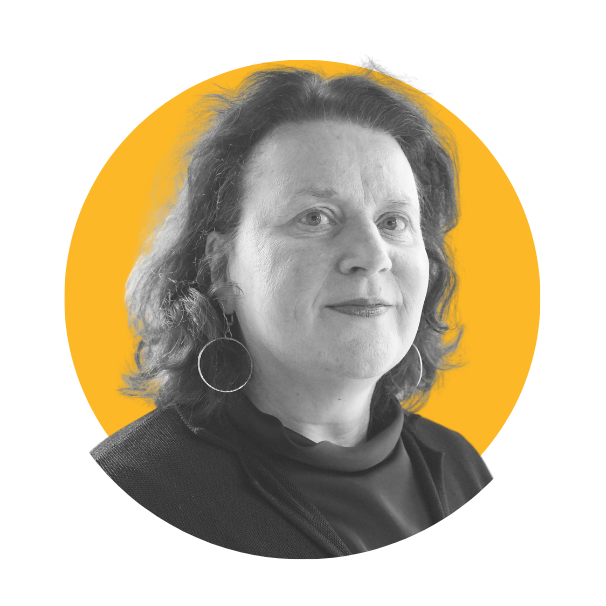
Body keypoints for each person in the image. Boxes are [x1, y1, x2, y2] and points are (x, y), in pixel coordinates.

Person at [91, 65, 492, 558]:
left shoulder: (462, 466)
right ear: (221, 269)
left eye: (393, 221)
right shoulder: (131, 492)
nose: (373, 255)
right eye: (315, 217)